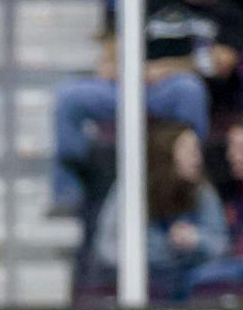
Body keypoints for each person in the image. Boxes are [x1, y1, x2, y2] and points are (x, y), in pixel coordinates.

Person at [52, 0, 243, 216]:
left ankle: (191, 177)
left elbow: (221, 62)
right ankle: (69, 191)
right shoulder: (153, 1)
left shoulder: (230, 9)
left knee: (188, 89)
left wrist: (166, 69)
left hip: (175, 90)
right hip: (130, 85)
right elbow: (108, 58)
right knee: (70, 96)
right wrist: (126, 68)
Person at [94, 120, 229, 300]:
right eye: (190, 152)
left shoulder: (202, 190)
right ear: (167, 155)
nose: (198, 158)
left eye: (198, 151)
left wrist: (196, 239)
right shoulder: (131, 190)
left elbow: (221, 244)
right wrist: (150, 253)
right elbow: (106, 247)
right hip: (146, 282)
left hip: (188, 280)